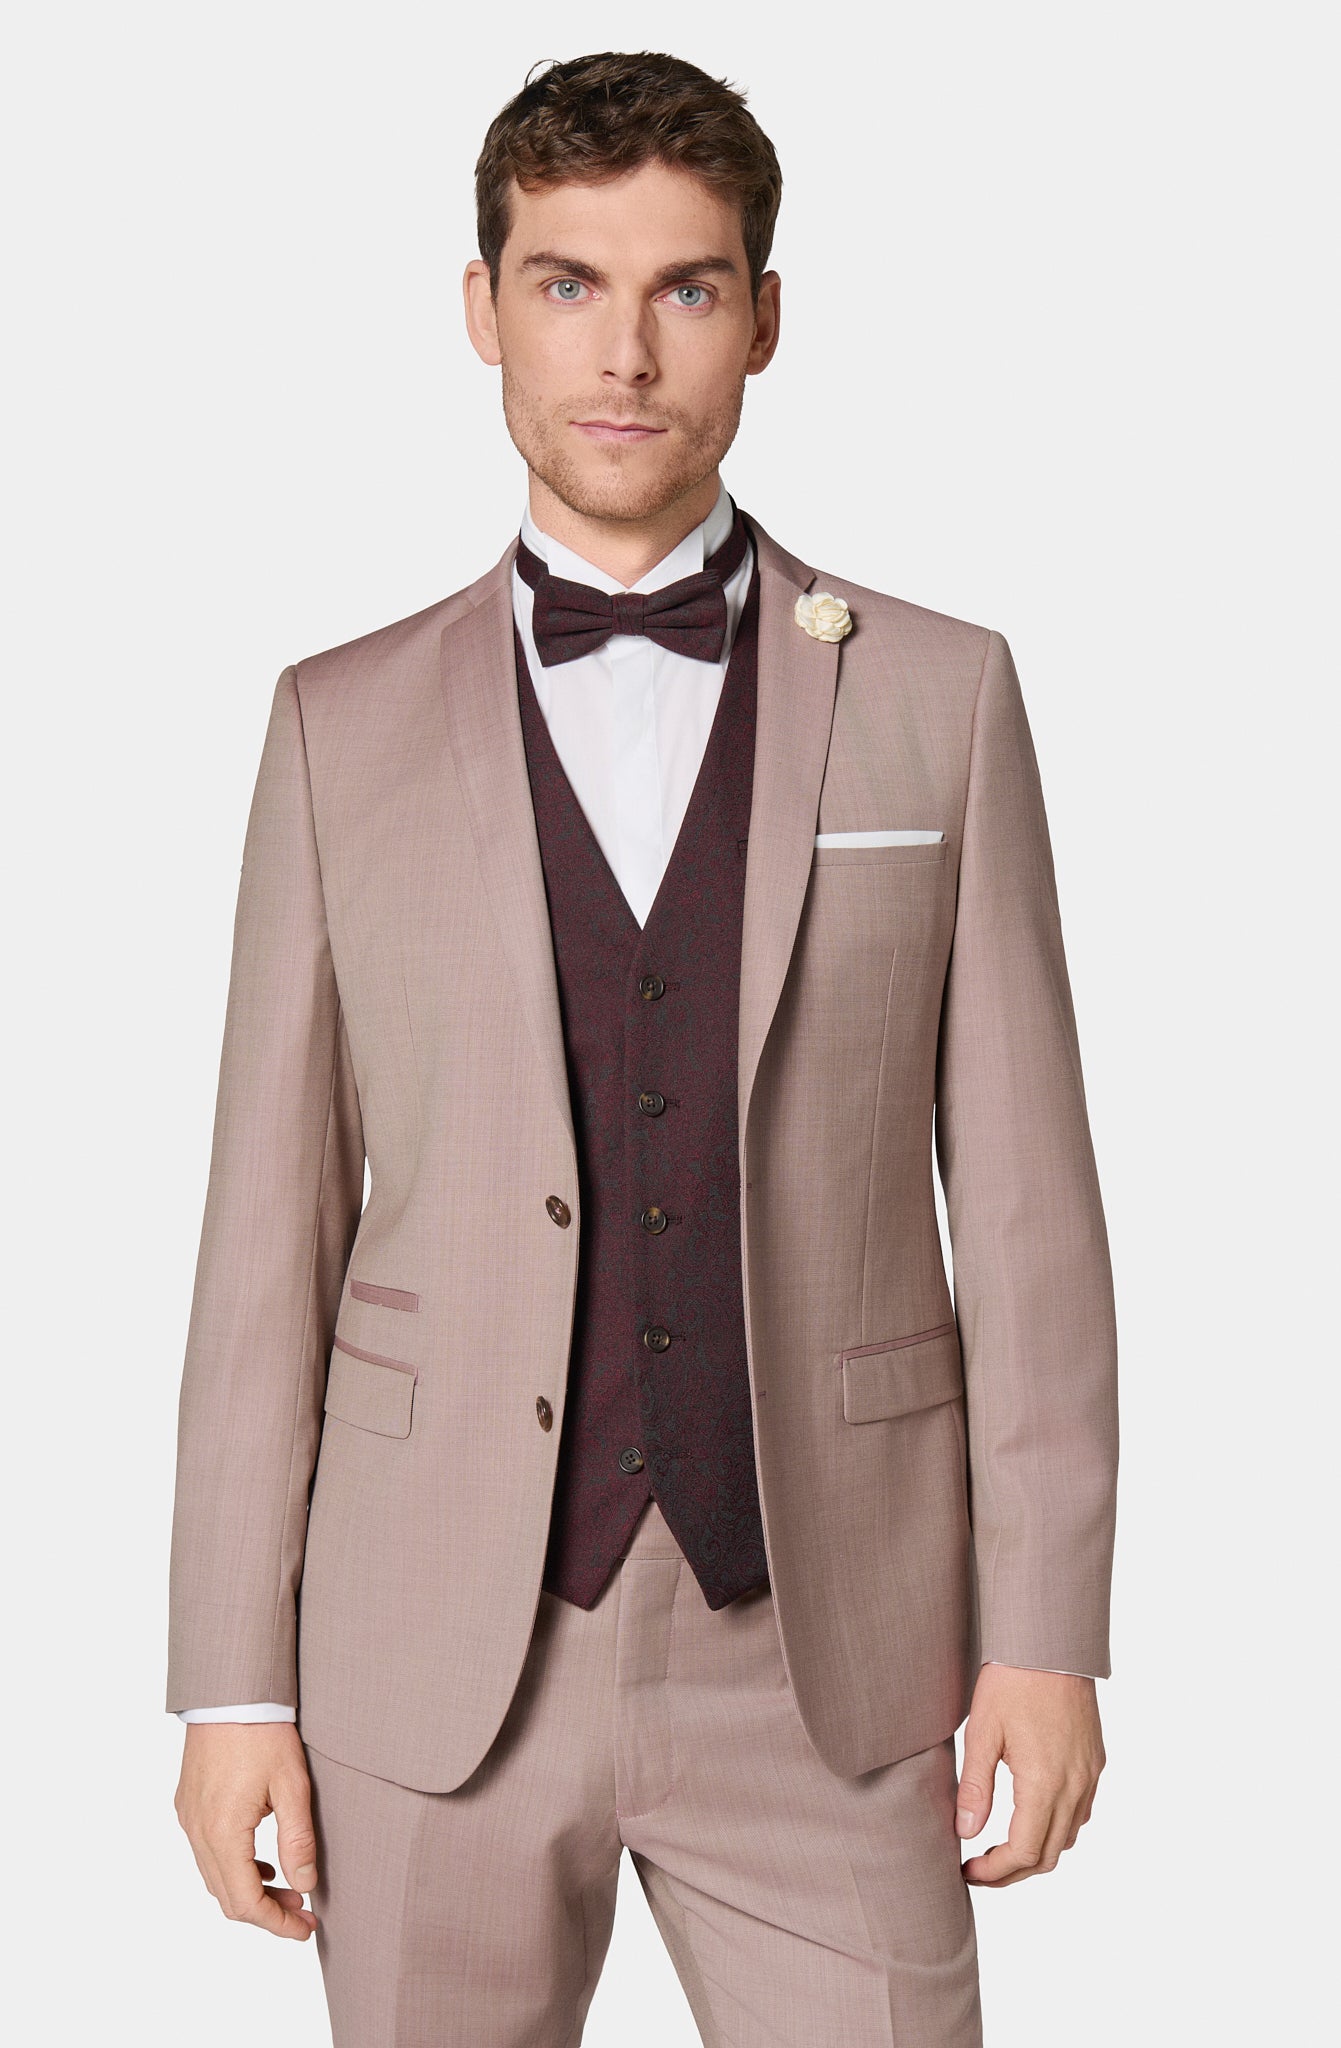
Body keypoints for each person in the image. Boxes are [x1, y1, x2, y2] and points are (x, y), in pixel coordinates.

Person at [168, 48, 1118, 2046]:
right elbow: (264, 1234)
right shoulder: (337, 724)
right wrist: (232, 1680)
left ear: (761, 318)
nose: (623, 354)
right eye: (566, 284)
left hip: (834, 1650)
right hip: (431, 1647)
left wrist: (1044, 1635)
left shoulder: (937, 695)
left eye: (683, 288)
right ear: (482, 309)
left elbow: (1029, 1212)